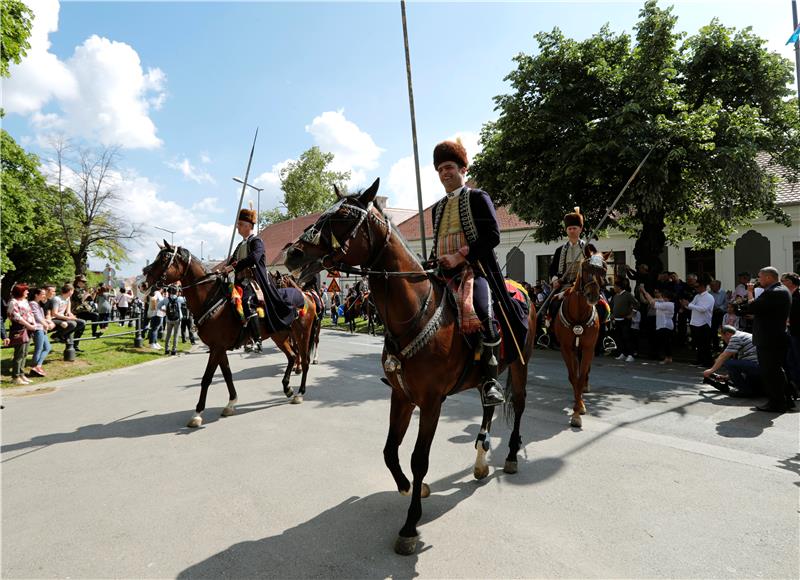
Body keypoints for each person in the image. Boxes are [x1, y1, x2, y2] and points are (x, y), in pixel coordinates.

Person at [426, 139, 527, 406]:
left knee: (484, 312)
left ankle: (490, 380)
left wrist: (460, 255)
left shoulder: (478, 197)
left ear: (463, 169)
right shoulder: (436, 208)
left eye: (449, 167)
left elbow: (492, 235)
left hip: (476, 270)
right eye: (439, 169)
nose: (444, 173)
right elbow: (437, 243)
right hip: (442, 273)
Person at [220, 204, 302, 339]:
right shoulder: (240, 245)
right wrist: (223, 270)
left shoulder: (257, 241)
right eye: (238, 224)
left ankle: (256, 339)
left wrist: (234, 266)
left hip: (255, 281)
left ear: (248, 226)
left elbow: (254, 258)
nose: (237, 227)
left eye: (240, 224)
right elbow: (231, 261)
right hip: (241, 282)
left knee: (247, 302)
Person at [745, 267, 794, 412]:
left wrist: (749, 293)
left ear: (768, 277)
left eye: (760, 277)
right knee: (776, 371)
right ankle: (785, 400)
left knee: (770, 372)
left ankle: (776, 402)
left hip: (770, 339)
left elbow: (752, 307)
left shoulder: (775, 292)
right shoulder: (781, 290)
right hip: (774, 337)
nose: (758, 280)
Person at [702, 325, 761, 397]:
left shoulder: (736, 337)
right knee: (733, 364)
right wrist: (727, 377)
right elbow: (742, 367)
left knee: (729, 363)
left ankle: (745, 391)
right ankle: (749, 390)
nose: (723, 339)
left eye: (722, 337)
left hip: (757, 367)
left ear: (727, 334)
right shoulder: (743, 336)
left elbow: (724, 356)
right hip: (759, 367)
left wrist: (711, 370)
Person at [682, 275, 714, 367]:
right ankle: (700, 360)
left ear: (702, 287)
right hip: (695, 322)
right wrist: (685, 305)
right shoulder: (697, 296)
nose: (695, 288)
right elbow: (691, 306)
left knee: (705, 345)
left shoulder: (709, 297)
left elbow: (703, 309)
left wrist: (690, 305)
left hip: (704, 323)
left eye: (697, 287)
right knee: (698, 344)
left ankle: (708, 362)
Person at [7, 283, 37, 385]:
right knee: (19, 354)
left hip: (29, 329)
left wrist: (33, 323)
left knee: (25, 353)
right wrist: (29, 325)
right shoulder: (13, 302)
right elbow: (16, 317)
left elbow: (30, 313)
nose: (28, 292)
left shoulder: (25, 301)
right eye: (26, 290)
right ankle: (15, 376)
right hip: (19, 329)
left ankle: (21, 374)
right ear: (20, 291)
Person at [639, 287, 674, 364]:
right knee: (664, 342)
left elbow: (652, 302)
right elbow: (653, 300)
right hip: (661, 325)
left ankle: (668, 358)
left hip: (665, 326)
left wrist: (644, 291)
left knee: (666, 342)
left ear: (666, 297)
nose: (662, 297)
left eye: (663, 296)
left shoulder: (669, 304)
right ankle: (667, 357)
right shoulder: (664, 302)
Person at [51, 284, 86, 351]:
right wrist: (68, 318)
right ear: (70, 291)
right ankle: (56, 335)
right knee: (73, 324)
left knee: (82, 322)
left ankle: (64, 335)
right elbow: (54, 314)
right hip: (56, 318)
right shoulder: (57, 299)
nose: (73, 293)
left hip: (63, 317)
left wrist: (72, 316)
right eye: (72, 291)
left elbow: (68, 312)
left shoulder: (68, 299)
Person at [781, 272, 800, 395]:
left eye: (784, 281)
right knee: (791, 360)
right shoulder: (789, 295)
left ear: (790, 282)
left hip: (798, 333)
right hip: (792, 332)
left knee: (797, 360)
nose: (782, 283)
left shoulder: (797, 297)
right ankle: (795, 385)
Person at [28, 287, 54, 377]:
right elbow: (37, 317)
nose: (44, 295)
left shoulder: (38, 304)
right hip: (38, 329)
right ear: (36, 295)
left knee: (47, 348)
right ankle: (33, 368)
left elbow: (43, 317)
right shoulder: (32, 303)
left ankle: (38, 366)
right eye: (42, 294)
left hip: (42, 328)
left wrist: (48, 322)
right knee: (38, 349)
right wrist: (46, 324)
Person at [611, 279, 637, 362]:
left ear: (619, 287)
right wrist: (612, 315)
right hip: (617, 320)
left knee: (627, 337)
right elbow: (613, 306)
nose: (613, 288)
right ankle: (623, 353)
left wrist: (632, 314)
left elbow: (636, 304)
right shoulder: (615, 296)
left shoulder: (627, 295)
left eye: (614, 286)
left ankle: (631, 355)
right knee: (619, 338)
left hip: (625, 320)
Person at [159, 285, 182, 356]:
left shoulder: (165, 299)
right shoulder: (180, 299)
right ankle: (174, 350)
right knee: (175, 335)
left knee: (168, 335)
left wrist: (164, 311)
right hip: (177, 319)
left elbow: (158, 306)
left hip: (168, 319)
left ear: (169, 292)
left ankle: (166, 350)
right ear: (176, 292)